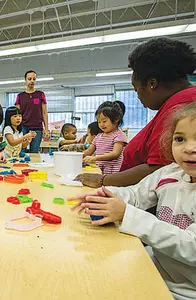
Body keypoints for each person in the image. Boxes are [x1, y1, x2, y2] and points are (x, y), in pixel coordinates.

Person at [71, 102, 196, 300]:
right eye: (180, 139)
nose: (189, 148)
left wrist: (126, 214)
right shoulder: (170, 172)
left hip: (185, 291)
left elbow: (191, 247)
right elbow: (137, 194)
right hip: (155, 267)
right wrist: (107, 195)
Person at [76, 37, 196, 188]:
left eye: (136, 88)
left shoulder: (182, 106)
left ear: (152, 83)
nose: (137, 95)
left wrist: (103, 180)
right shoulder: (174, 102)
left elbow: (161, 168)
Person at [82, 101, 127, 174]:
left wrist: (96, 158)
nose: (101, 125)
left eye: (104, 121)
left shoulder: (119, 135)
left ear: (116, 119)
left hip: (113, 172)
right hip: (100, 170)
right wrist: (77, 156)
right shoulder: (99, 136)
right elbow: (89, 151)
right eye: (99, 122)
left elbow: (115, 153)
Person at [15, 70, 49, 153]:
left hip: (37, 127)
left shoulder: (40, 94)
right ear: (25, 80)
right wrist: (15, 128)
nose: (32, 81)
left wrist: (46, 129)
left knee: (34, 151)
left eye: (34, 79)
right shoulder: (20, 96)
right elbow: (16, 114)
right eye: (29, 79)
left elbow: (44, 112)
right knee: (21, 150)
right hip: (23, 126)